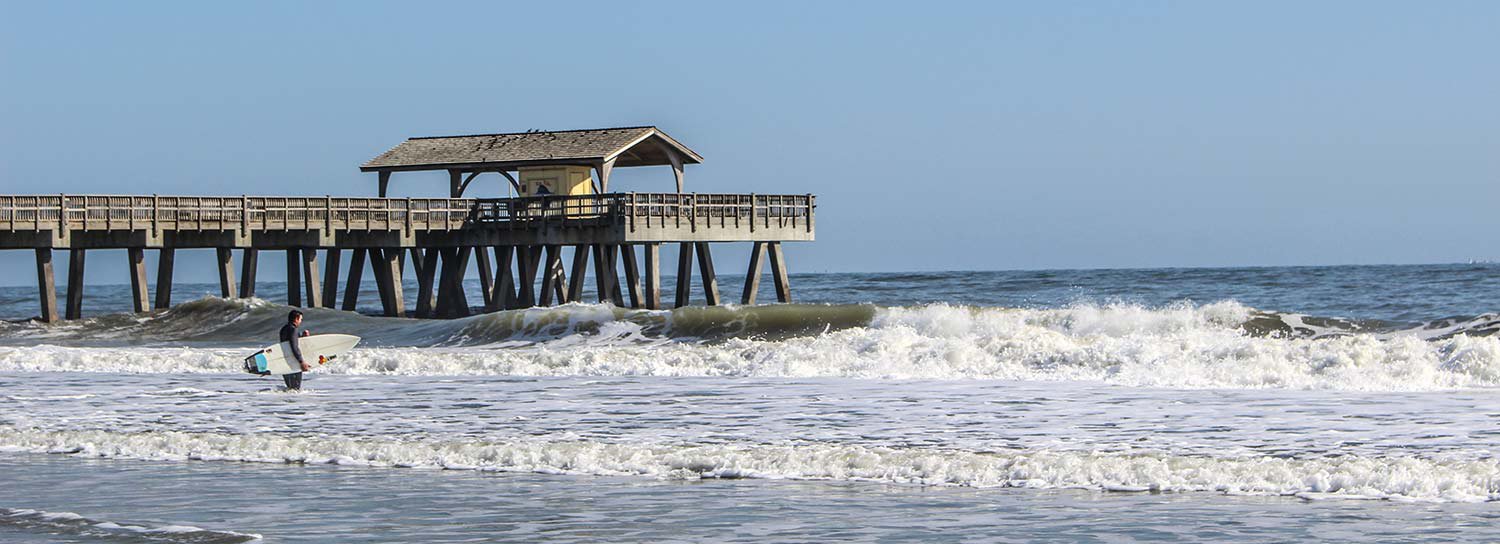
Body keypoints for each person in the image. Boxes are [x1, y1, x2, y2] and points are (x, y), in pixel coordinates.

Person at [279, 310, 312, 390]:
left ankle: (288, 401)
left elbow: (288, 342)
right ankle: (293, 402)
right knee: (296, 389)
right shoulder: (293, 329)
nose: (300, 321)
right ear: (296, 318)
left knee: (290, 389)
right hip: (293, 362)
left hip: (285, 361)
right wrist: (301, 362)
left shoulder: (284, 328)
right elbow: (294, 346)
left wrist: (301, 336)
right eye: (301, 319)